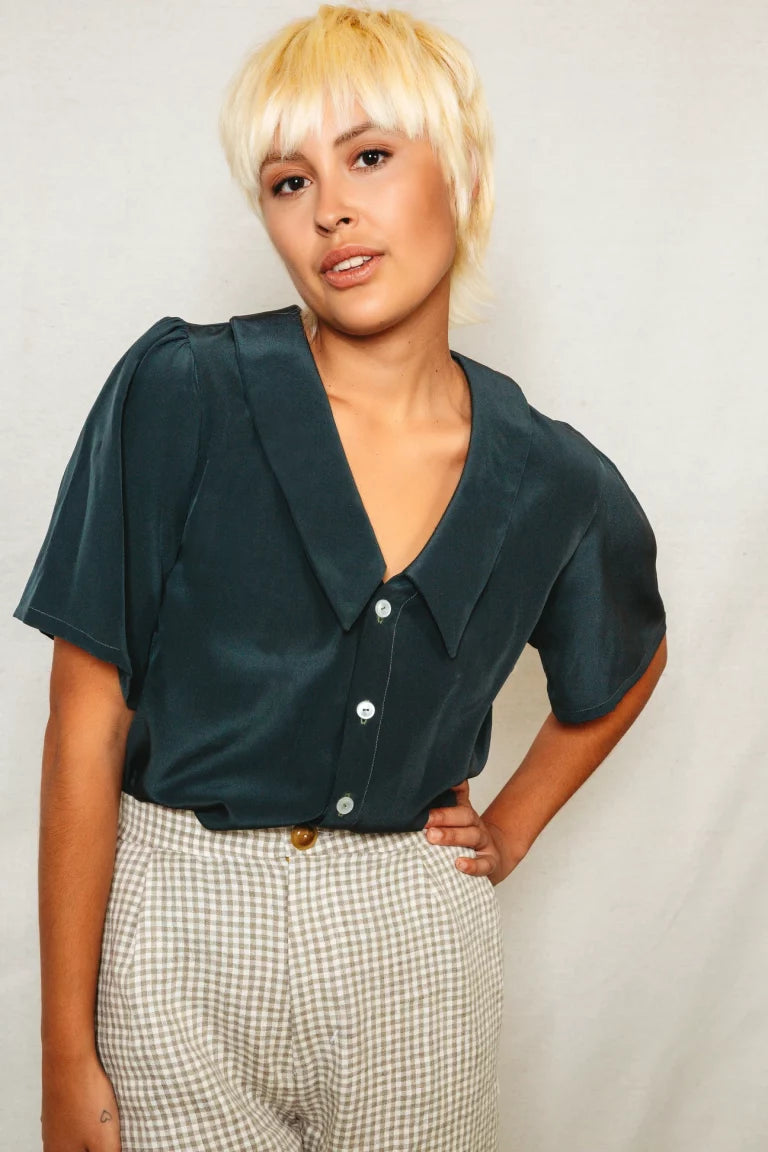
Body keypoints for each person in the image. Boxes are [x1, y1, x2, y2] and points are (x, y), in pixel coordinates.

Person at [14, 5, 667, 1151]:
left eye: (369, 157)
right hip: (177, 945)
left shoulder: (553, 476)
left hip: (416, 951)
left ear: (462, 175)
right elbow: (85, 724)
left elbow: (629, 657)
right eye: (288, 181)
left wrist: (510, 828)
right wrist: (65, 1055)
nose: (329, 210)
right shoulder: (181, 393)